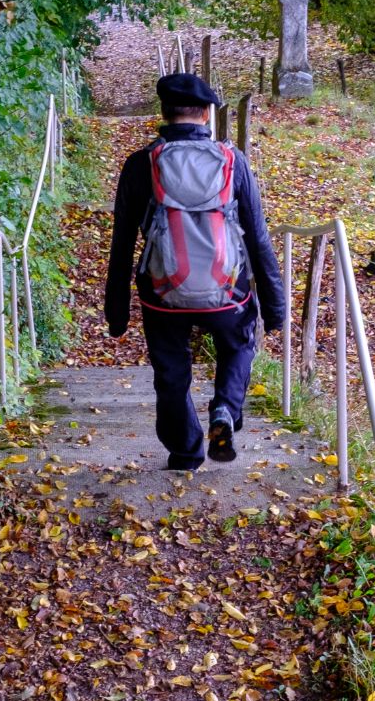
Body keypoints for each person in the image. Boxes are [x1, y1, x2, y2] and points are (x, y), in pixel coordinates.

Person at [104, 69, 286, 471]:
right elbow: (258, 238)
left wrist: (116, 313)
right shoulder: (233, 162)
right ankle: (224, 409)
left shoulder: (140, 165)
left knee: (171, 371)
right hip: (227, 292)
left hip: (162, 293)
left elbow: (122, 243)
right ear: (206, 114)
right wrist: (275, 308)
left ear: (164, 112)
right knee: (238, 344)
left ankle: (186, 451)